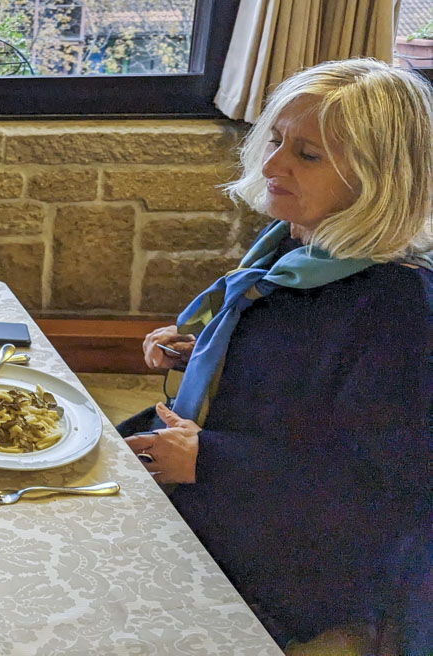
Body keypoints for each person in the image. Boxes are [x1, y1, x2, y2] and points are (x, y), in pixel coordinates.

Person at [123, 58, 432, 653]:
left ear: (380, 175)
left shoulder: (398, 306)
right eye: (276, 140)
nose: (270, 165)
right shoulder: (300, 243)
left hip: (285, 551)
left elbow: (383, 495)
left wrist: (207, 461)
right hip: (222, 468)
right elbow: (301, 374)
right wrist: (203, 354)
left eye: (307, 155)